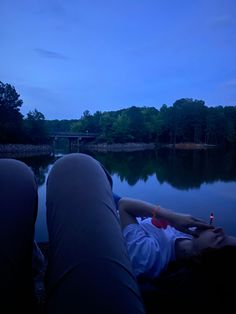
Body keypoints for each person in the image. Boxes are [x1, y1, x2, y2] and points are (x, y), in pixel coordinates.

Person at [117, 197, 236, 311]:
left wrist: (171, 217)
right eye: (226, 234)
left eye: (219, 239)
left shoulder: (149, 258)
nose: (219, 229)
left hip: (112, 215)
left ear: (198, 257)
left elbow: (124, 205)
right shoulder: (189, 235)